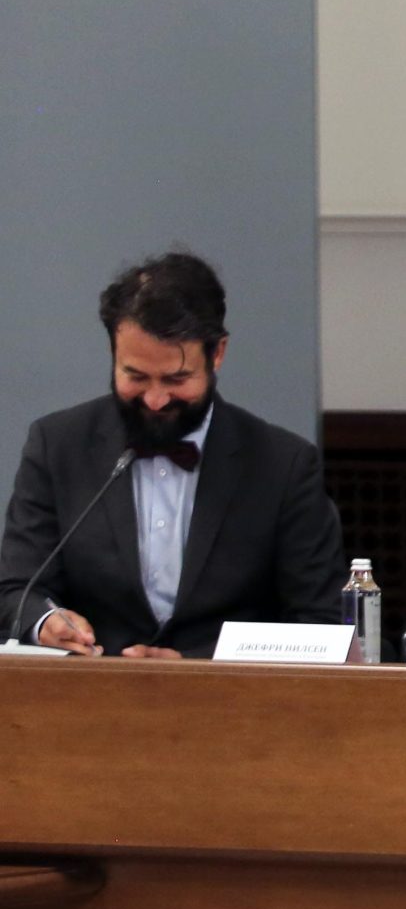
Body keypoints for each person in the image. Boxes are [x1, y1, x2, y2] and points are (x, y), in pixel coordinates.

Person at [0, 252, 343, 658]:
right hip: (93, 686)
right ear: (113, 352)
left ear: (217, 354)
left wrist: (198, 670)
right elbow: (17, 589)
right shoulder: (57, 445)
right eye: (135, 376)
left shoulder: (284, 465)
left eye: (176, 378)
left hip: (229, 694)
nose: (156, 399)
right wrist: (45, 621)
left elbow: (321, 621)